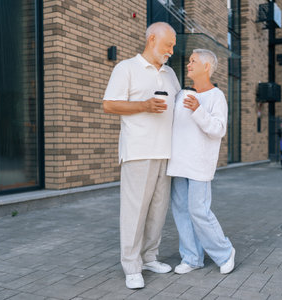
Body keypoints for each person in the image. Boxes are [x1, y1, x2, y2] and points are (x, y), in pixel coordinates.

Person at [103, 22, 181, 289]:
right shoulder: (126, 68)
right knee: (134, 212)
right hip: (138, 151)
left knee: (158, 211)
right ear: (151, 39)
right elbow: (109, 104)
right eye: (168, 44)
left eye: (173, 45)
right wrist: (144, 105)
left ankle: (149, 258)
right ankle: (131, 265)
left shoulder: (170, 73)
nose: (171, 50)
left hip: (166, 152)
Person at [167, 49, 235, 275]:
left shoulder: (217, 97)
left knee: (199, 211)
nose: (188, 64)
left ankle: (225, 252)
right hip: (178, 164)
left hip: (199, 165)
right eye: (188, 61)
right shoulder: (181, 95)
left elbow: (218, 129)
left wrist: (198, 110)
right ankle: (192, 257)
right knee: (181, 212)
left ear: (206, 66)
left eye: (193, 61)